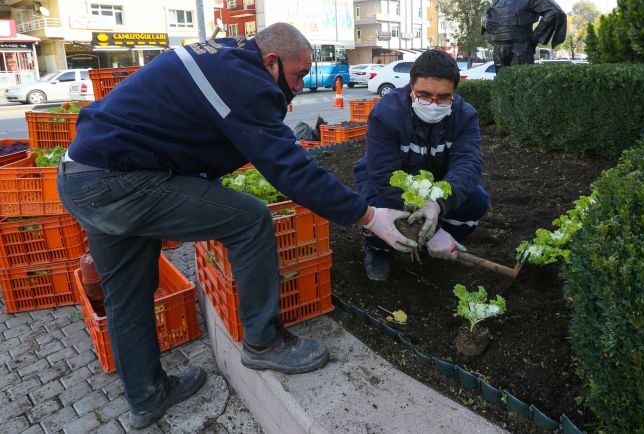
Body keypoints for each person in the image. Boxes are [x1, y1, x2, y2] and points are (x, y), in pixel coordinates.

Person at [57, 23, 416, 429]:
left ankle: (147, 397)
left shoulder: (227, 56)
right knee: (250, 219)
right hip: (120, 181)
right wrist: (368, 215)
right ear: (271, 62)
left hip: (81, 174)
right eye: (298, 75)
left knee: (125, 293)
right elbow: (287, 167)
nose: (299, 87)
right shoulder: (246, 82)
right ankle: (264, 342)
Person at [353, 50, 489, 281]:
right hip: (384, 187)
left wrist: (437, 204)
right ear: (410, 87)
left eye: (443, 97)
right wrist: (432, 229)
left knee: (476, 201)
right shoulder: (386, 113)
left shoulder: (464, 116)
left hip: (434, 187)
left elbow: (469, 164)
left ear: (454, 93)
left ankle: (437, 245)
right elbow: (384, 174)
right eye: (424, 95)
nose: (433, 104)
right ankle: (378, 250)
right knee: (376, 210)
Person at [481, 0, 566, 72]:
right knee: (500, 82)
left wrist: (534, 38)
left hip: (519, 48)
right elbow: (488, 12)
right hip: (498, 48)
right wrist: (484, 20)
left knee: (519, 81)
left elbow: (554, 11)